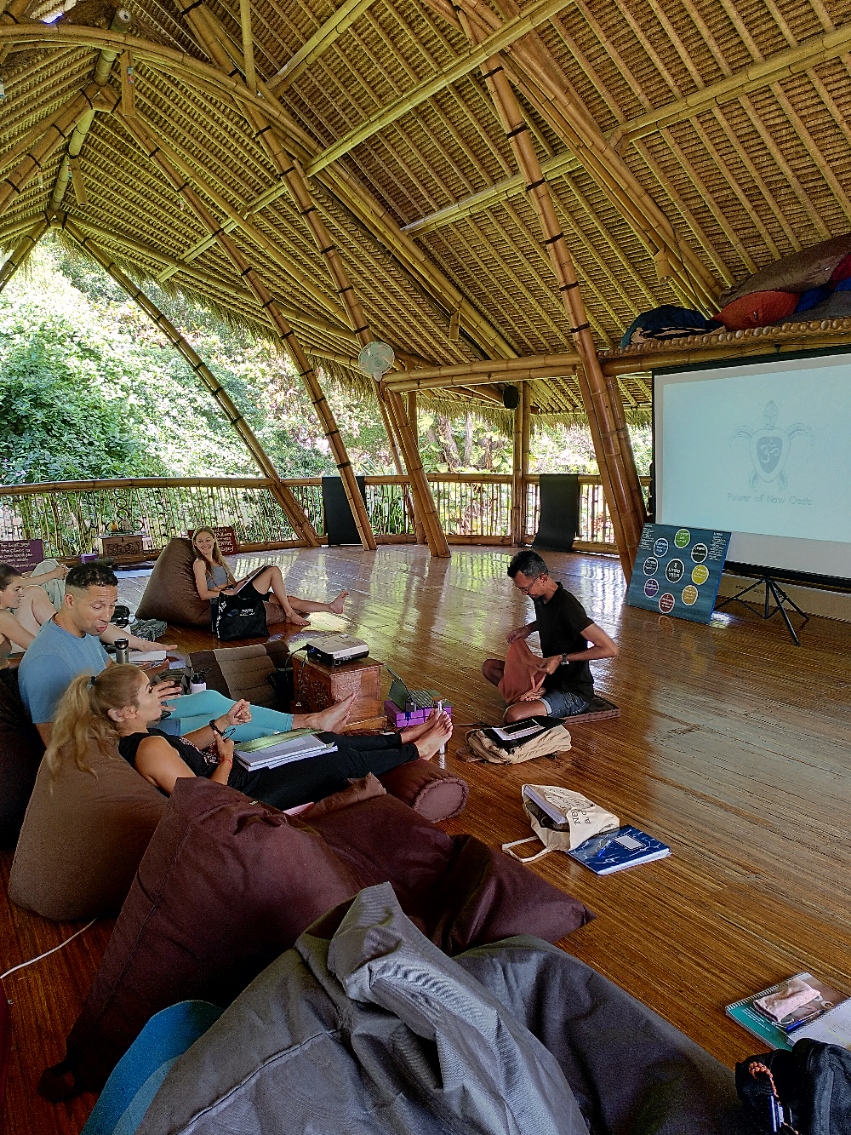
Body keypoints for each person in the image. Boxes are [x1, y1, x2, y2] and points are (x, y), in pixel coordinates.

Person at [46, 665, 453, 813]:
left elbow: (183, 749)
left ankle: (402, 739)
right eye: (149, 692)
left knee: (323, 741)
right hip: (245, 791)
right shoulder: (148, 747)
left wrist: (221, 724)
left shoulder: (141, 736)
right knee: (335, 761)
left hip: (243, 770)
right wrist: (225, 757)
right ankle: (417, 750)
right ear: (123, 712)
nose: (160, 693)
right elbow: (206, 803)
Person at [17, 561, 176, 744]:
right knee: (205, 720)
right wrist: (141, 714)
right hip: (115, 739)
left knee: (203, 700)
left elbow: (110, 675)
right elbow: (59, 745)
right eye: (97, 607)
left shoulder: (86, 629)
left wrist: (146, 682)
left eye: (112, 606)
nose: (107, 616)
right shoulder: (47, 661)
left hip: (127, 716)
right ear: (70, 601)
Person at [482, 549, 618, 723]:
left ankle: (532, 700)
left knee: (513, 715)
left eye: (526, 589)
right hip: (548, 678)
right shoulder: (540, 596)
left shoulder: (569, 607)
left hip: (572, 691)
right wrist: (528, 629)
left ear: (543, 578)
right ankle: (536, 696)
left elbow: (610, 649)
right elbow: (552, 619)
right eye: (521, 589)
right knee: (490, 668)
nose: (524, 593)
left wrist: (561, 659)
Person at [191, 528, 347, 629]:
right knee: (273, 571)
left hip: (237, 592)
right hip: (230, 599)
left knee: (289, 599)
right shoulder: (200, 563)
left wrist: (250, 576)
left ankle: (331, 607)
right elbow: (204, 594)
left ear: (214, 540)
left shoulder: (219, 560)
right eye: (200, 541)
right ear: (195, 544)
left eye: (208, 540)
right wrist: (228, 593)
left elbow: (234, 584)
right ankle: (289, 613)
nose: (205, 544)